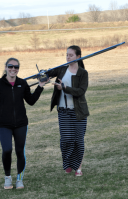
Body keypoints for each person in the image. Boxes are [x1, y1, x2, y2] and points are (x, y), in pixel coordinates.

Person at [0, 57, 49, 189]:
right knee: (7, 150)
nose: (13, 69)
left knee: (20, 151)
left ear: (18, 69)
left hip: (21, 124)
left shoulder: (22, 83)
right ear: (6, 67)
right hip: (4, 124)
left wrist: (40, 86)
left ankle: (19, 179)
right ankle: (7, 177)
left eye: (16, 67)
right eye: (10, 66)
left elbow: (31, 101)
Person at [46, 45, 89, 176]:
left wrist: (64, 88)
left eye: (71, 55)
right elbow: (48, 73)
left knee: (78, 140)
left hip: (78, 111)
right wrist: (43, 73)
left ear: (78, 56)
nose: (68, 57)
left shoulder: (82, 73)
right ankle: (68, 163)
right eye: (67, 55)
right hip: (63, 111)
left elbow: (81, 91)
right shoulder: (62, 69)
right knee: (66, 139)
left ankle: (78, 168)